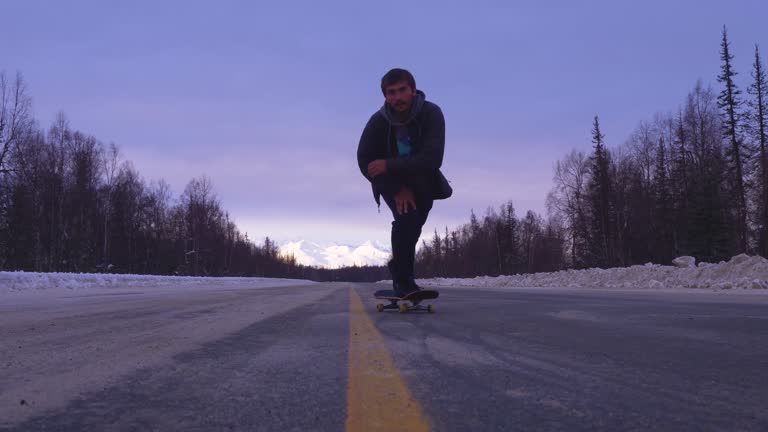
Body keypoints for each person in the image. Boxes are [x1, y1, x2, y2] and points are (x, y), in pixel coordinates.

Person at [357, 68, 451, 297]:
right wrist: (396, 189)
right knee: (406, 219)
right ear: (385, 96)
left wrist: (388, 164)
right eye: (391, 93)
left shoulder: (431, 113)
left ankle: (400, 270)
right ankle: (403, 281)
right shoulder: (378, 121)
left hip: (424, 181)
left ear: (413, 90)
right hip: (391, 183)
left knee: (413, 226)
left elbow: (432, 158)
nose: (397, 97)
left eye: (402, 90)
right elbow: (365, 161)